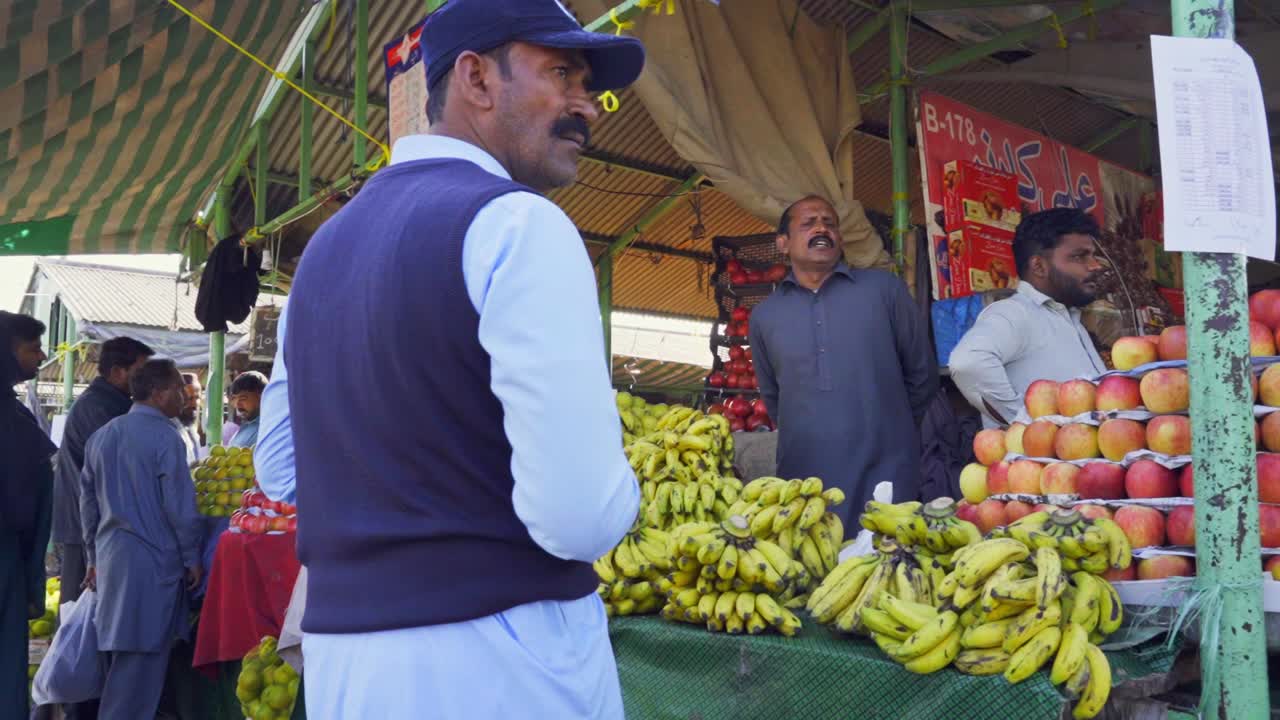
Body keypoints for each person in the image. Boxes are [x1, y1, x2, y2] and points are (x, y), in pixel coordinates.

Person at [284, 1, 644, 716]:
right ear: (477, 79)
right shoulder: (518, 224)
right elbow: (581, 517)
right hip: (497, 665)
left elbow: (279, 466)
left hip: (344, 670)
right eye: (563, 73)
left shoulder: (322, 252)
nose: (588, 108)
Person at [748, 195, 938, 516]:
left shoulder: (884, 290)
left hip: (886, 467)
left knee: (888, 561)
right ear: (783, 242)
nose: (822, 228)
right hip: (804, 473)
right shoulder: (765, 316)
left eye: (830, 223)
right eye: (808, 224)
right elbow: (774, 397)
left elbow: (922, 373)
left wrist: (889, 425)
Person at [79, 358, 203, 720]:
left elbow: (87, 505)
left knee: (124, 660)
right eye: (178, 390)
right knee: (139, 670)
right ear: (159, 392)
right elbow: (180, 509)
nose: (183, 397)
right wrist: (192, 556)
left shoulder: (103, 435)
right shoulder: (166, 436)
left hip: (113, 560)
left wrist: (92, 557)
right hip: (152, 565)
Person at [948, 208, 1107, 427]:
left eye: (1093, 255)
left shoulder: (1069, 318)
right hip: (1039, 459)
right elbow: (967, 362)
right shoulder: (1014, 312)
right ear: (1039, 266)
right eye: (1079, 256)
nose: (1095, 266)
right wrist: (1023, 423)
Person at [52, 336, 153, 619]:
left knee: (93, 610)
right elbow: (116, 473)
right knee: (81, 613)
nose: (147, 379)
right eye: (140, 371)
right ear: (118, 372)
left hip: (95, 523)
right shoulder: (101, 408)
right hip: (87, 526)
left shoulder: (114, 404)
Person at [0, 312, 54, 720]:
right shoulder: (11, 420)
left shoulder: (13, 411)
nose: (41, 356)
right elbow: (28, 504)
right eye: (32, 348)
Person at [225, 371, 266, 449]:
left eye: (243, 398)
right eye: (234, 398)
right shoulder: (246, 426)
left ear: (262, 397)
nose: (237, 404)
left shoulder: (266, 428)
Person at [175, 373, 205, 464]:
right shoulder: (168, 430)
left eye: (197, 398)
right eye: (189, 398)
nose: (194, 404)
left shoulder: (190, 427)